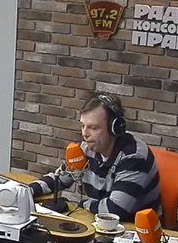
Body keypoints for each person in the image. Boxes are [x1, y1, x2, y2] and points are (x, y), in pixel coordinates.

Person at [26, 92, 162, 224]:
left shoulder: (134, 157)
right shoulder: (86, 148)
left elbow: (115, 210)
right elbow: (59, 179)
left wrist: (83, 204)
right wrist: (27, 191)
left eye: (93, 128)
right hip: (98, 223)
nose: (85, 134)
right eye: (83, 126)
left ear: (114, 128)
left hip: (133, 230)